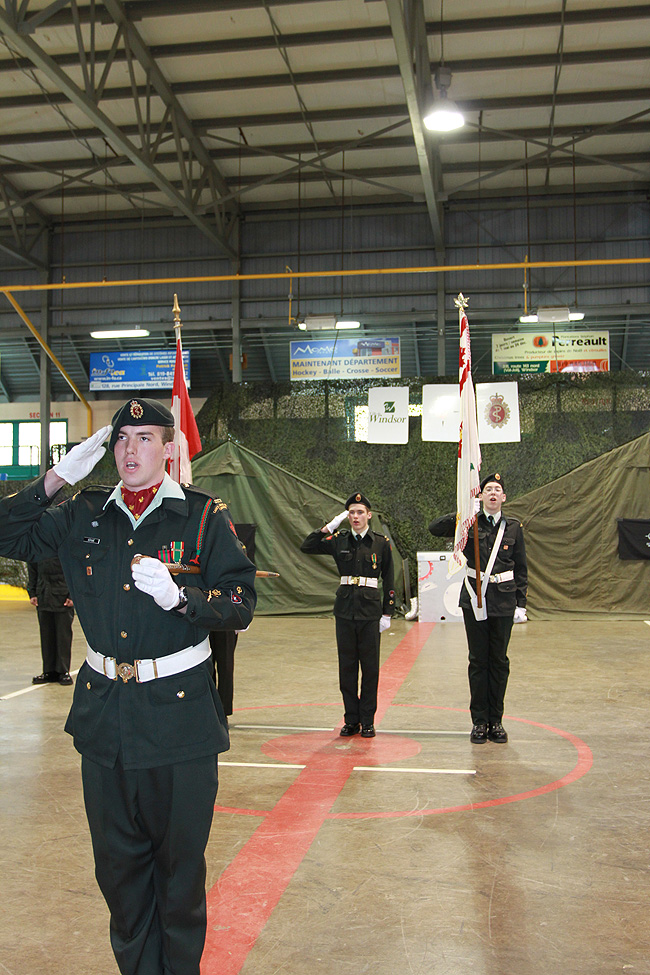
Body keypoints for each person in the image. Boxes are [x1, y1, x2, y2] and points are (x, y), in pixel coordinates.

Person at [0, 397, 256, 975]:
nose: (129, 449)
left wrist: (183, 599)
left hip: (181, 719)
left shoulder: (201, 516)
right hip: (106, 717)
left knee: (179, 875)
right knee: (118, 872)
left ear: (169, 448)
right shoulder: (82, 513)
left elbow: (240, 602)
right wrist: (57, 478)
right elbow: (5, 533)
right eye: (119, 439)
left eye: (144, 437)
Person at [428, 472, 527, 744]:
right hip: (474, 600)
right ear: (481, 496)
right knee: (477, 661)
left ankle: (497, 720)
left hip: (504, 601)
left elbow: (521, 567)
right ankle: (479, 722)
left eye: (497, 489)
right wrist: (462, 512)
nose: (493, 493)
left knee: (499, 662)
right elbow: (434, 528)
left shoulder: (514, 528)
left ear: (504, 497)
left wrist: (521, 603)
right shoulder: (469, 523)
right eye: (487, 490)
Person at [300, 491, 395, 738]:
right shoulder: (339, 539)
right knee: (348, 668)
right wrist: (329, 526)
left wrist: (388, 613)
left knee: (371, 669)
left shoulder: (381, 543)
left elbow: (390, 578)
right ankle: (351, 720)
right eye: (351, 512)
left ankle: (368, 720)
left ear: (369, 515)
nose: (355, 516)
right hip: (345, 611)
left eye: (360, 512)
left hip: (370, 612)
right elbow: (307, 546)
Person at [27, 556, 75, 685]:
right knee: (46, 635)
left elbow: (75, 571)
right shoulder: (39, 546)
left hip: (63, 596)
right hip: (43, 595)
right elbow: (32, 568)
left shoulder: (65, 545)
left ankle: (63, 671)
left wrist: (72, 595)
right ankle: (49, 671)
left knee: (63, 635)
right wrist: (32, 593)